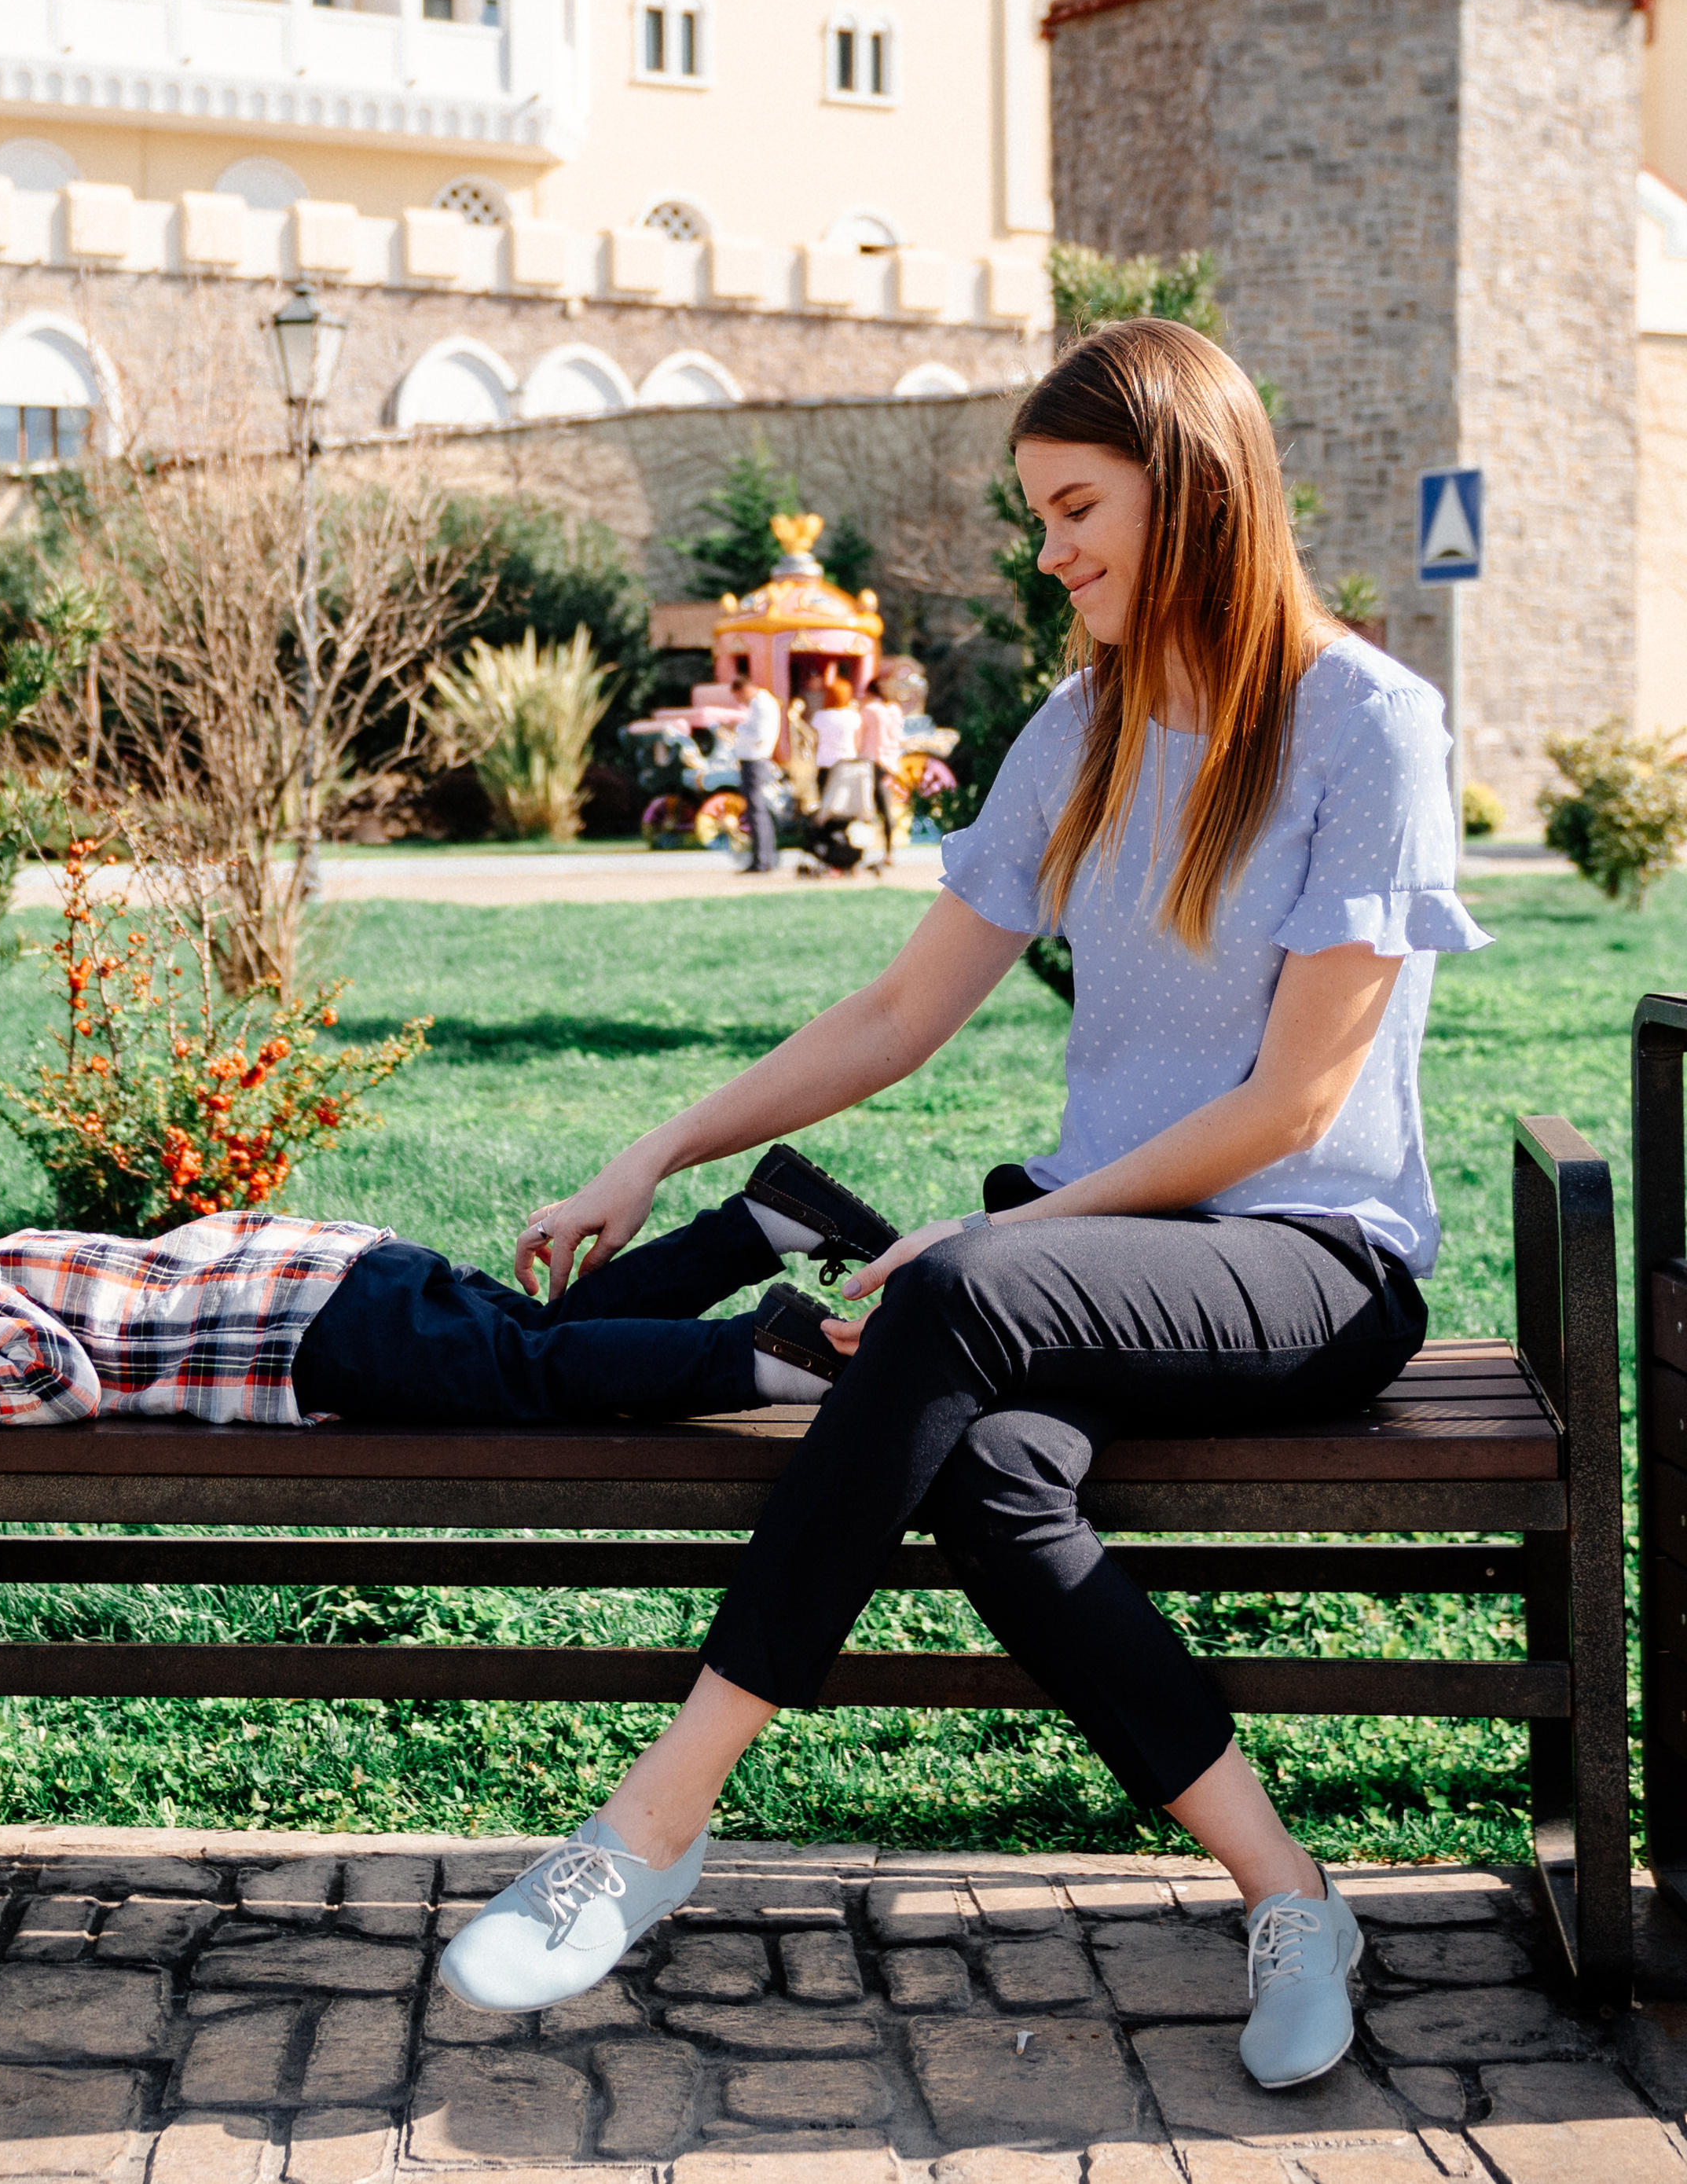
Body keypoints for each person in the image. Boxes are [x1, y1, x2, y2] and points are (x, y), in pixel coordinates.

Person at [444, 319, 1487, 2094]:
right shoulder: (1076, 727)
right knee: (993, 1465)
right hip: (1108, 1258)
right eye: (1039, 514)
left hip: (1311, 1259)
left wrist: (1013, 1234)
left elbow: (1294, 1100)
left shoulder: (1361, 718)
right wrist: (655, 1153)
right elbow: (894, 1011)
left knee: (954, 1291)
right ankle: (1290, 1886)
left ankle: (651, 1818)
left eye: (1076, 505)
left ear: (1195, 486)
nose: (1050, 548)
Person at [0, 1147, 903, 1427]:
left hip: (303, 1330)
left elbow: (54, 1377)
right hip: (337, 1275)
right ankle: (768, 1218)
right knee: (540, 1334)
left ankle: (765, 1356)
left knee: (533, 1375)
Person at [727, 670, 780, 874]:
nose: (740, 701)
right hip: (755, 759)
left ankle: (761, 860)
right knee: (759, 811)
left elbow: (759, 735)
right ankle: (766, 858)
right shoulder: (761, 703)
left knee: (756, 811)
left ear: (746, 689)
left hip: (755, 759)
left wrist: (736, 728)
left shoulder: (761, 704)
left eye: (740, 696)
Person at [813, 673, 872, 825]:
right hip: (847, 763)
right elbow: (858, 741)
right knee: (847, 805)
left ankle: (828, 837)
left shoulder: (820, 716)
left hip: (825, 764)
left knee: (826, 805)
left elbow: (814, 740)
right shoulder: (853, 717)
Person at [860, 684, 908, 862]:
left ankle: (861, 852)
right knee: (886, 807)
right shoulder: (895, 711)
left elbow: (860, 735)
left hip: (871, 761)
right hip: (890, 763)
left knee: (866, 807)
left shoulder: (870, 710)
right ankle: (889, 850)